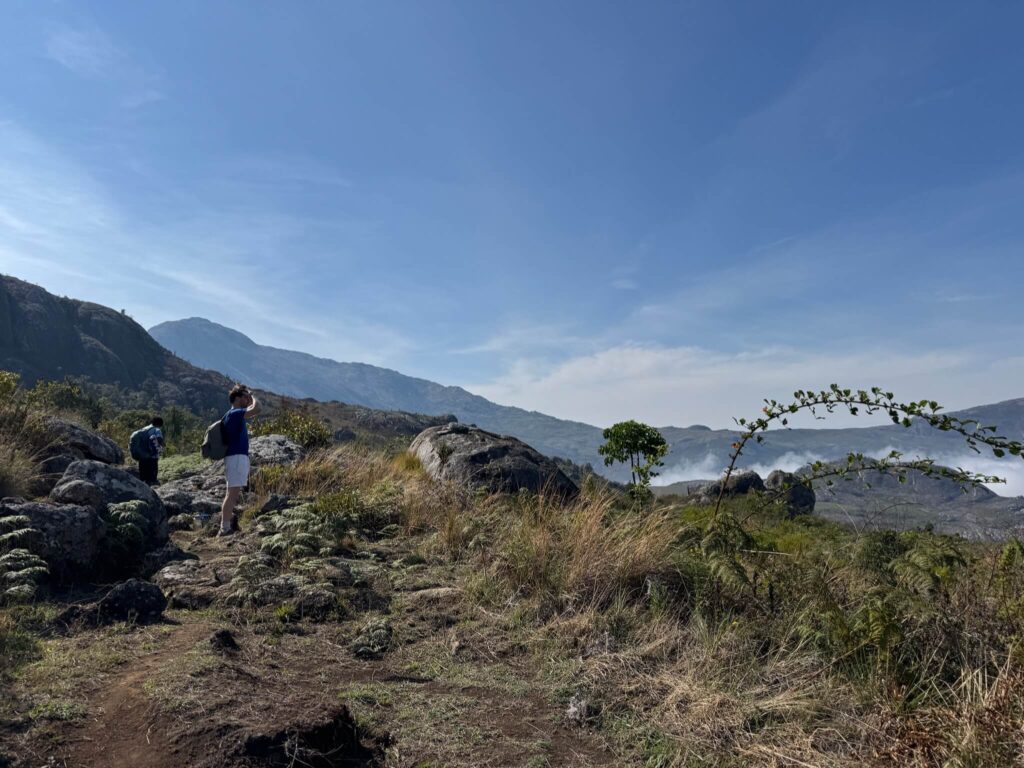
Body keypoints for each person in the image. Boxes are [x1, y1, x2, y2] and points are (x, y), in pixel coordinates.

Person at [219, 384, 260, 536]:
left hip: (236, 457)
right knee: (232, 493)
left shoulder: (233, 414)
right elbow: (257, 409)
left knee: (233, 492)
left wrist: (247, 396)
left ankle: (227, 525)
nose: (247, 400)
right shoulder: (235, 413)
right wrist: (253, 397)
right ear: (237, 398)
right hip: (236, 457)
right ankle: (224, 528)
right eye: (244, 397)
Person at [136, 416, 165, 485]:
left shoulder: (144, 429)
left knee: (143, 472)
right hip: (152, 455)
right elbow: (159, 438)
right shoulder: (156, 429)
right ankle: (153, 483)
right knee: (152, 471)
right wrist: (163, 445)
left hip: (142, 454)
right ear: (160, 424)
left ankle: (143, 484)